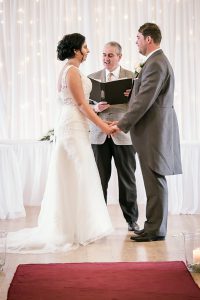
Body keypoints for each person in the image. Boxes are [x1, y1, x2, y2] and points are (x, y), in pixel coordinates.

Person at [6, 33, 113, 254]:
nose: (88, 51)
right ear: (76, 50)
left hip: (73, 124)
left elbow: (77, 104)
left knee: (75, 175)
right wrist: (103, 126)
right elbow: (81, 105)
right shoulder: (72, 71)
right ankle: (72, 229)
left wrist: (97, 109)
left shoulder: (68, 70)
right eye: (85, 47)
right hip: (73, 128)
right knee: (79, 174)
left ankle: (76, 227)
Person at [113, 23, 182, 242]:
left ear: (148, 39)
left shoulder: (156, 63)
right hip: (152, 130)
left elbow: (144, 101)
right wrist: (133, 90)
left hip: (153, 131)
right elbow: (144, 94)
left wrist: (122, 123)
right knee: (152, 179)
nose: (136, 42)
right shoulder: (156, 62)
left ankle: (155, 229)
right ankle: (152, 225)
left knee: (154, 178)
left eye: (138, 38)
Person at [88, 41, 139, 232]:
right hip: (99, 135)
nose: (106, 59)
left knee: (127, 179)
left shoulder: (133, 78)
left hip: (123, 134)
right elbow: (82, 105)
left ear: (120, 57)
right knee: (99, 180)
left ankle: (131, 220)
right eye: (103, 55)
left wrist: (133, 95)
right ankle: (97, 221)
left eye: (110, 55)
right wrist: (96, 107)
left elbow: (140, 106)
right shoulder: (92, 78)